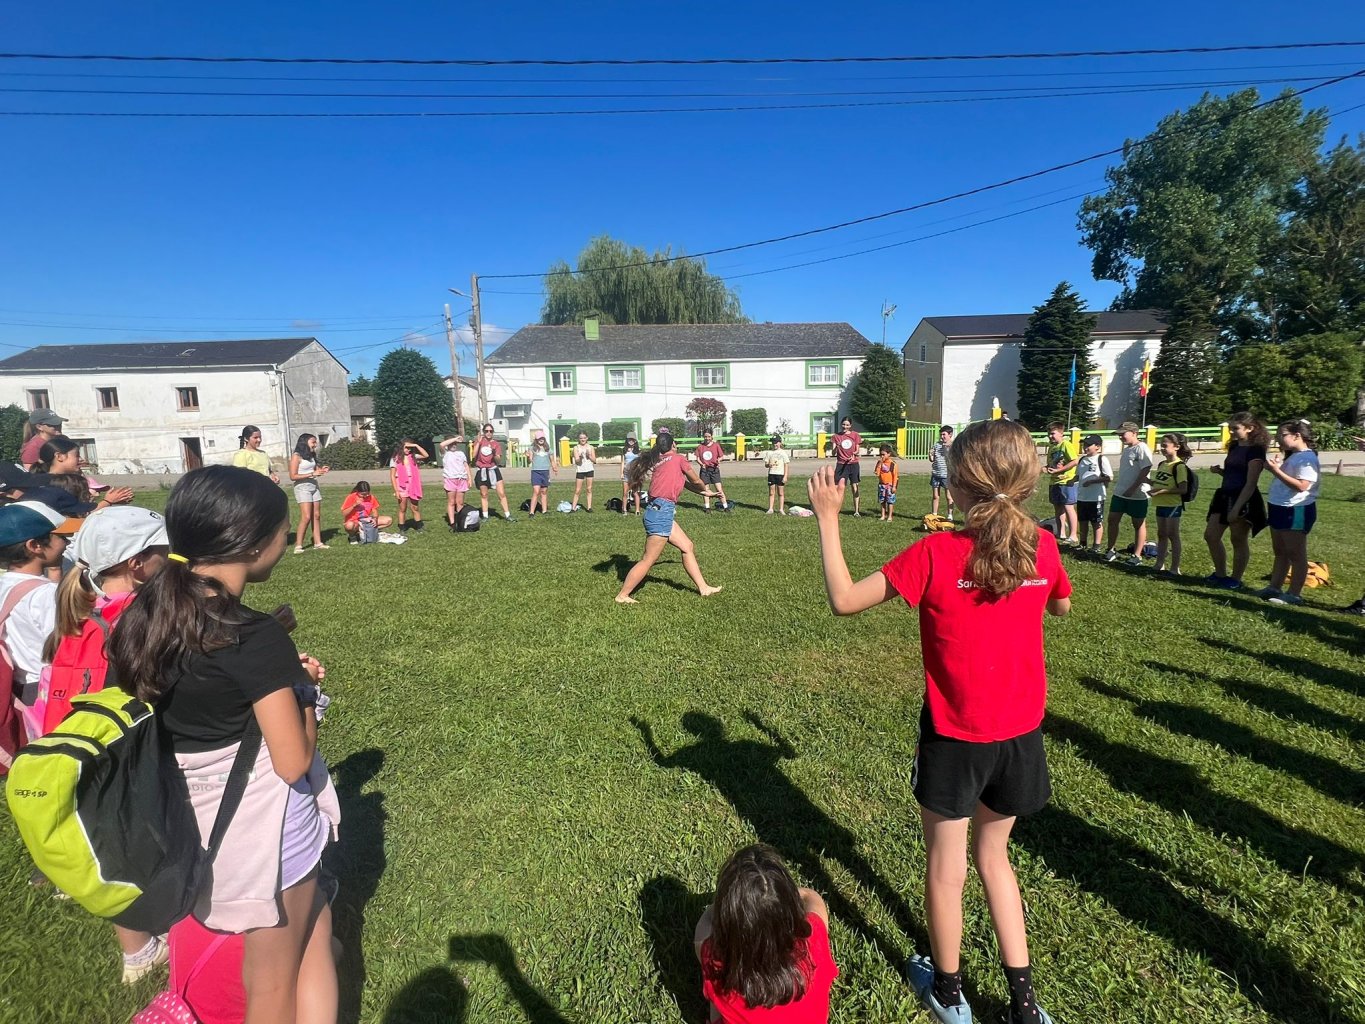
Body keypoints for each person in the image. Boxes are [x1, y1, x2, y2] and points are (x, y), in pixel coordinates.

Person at [807, 419, 1071, 1024]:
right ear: (1028, 481)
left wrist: (827, 518)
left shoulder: (934, 553)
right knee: (995, 860)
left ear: (956, 486)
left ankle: (950, 995)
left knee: (947, 867)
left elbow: (844, 600)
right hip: (1020, 735)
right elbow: (1059, 603)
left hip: (955, 738)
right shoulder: (1043, 545)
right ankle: (1025, 1006)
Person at [106, 466, 341, 1024]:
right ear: (254, 543)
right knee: (272, 984)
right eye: (282, 529)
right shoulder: (251, 634)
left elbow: (197, 689)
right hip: (261, 831)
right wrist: (304, 691)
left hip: (187, 816)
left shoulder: (144, 616)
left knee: (316, 929)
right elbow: (293, 761)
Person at [38, 505, 169, 982]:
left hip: (83, 747)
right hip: (131, 749)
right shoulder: (142, 618)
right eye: (163, 551)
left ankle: (137, 952)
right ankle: (168, 926)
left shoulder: (80, 612)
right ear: (138, 564)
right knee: (149, 842)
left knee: (113, 844)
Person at [694, 844, 837, 1024]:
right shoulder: (813, 940)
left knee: (715, 982)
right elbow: (811, 896)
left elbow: (707, 919)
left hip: (731, 983)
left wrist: (727, 906)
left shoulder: (718, 962)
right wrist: (780, 895)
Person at [0, 501, 80, 742]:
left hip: (16, 688)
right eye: (61, 537)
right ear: (34, 545)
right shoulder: (46, 595)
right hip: (48, 688)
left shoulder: (4, 584)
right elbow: (65, 648)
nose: (67, 543)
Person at [615, 433, 722, 603]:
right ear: (673, 445)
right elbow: (695, 480)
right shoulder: (678, 459)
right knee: (648, 559)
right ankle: (622, 595)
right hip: (661, 513)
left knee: (687, 546)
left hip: (657, 511)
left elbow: (683, 482)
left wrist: (705, 493)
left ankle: (704, 588)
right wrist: (704, 487)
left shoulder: (660, 461)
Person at [1258, 418, 1320, 605]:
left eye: (1282, 435)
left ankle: (1294, 594)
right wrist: (1276, 468)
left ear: (1297, 435)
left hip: (1296, 509)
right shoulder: (1294, 455)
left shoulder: (1307, 458)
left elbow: (1302, 486)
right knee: (1280, 551)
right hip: (1279, 506)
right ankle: (1274, 587)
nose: (1278, 439)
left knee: (1295, 553)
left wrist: (1276, 471)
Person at [1204, 412, 1269, 590]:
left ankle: (1235, 579)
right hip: (1224, 495)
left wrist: (1237, 508)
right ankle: (1220, 574)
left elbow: (1250, 483)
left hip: (1243, 498)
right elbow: (1234, 473)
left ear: (1250, 428)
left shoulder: (1256, 450)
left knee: (1238, 539)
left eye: (1235, 428)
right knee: (1211, 535)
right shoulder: (1234, 446)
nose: (1231, 431)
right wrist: (1220, 472)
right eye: (1230, 428)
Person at [1103, 422, 1153, 567]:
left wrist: (1133, 488)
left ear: (1134, 433)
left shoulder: (1142, 448)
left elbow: (1145, 469)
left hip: (1137, 494)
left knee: (1138, 523)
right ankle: (1111, 549)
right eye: (1119, 434)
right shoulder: (1127, 449)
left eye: (1123, 434)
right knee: (1113, 519)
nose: (1121, 437)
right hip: (1120, 492)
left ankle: (1137, 555)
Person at [1148, 433, 1194, 577]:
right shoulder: (1162, 464)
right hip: (1160, 504)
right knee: (1161, 534)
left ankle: (1175, 568)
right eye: (1161, 445)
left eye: (1165, 445)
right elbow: (1162, 482)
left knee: (1173, 535)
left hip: (1172, 505)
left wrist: (1162, 491)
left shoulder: (1179, 466)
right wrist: (1149, 483)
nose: (1162, 448)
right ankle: (1159, 563)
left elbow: (1183, 489)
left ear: (1176, 447)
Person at [289, 434, 331, 554]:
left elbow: (315, 470)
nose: (315, 444)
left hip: (314, 486)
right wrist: (311, 474)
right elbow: (293, 476)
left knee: (316, 515)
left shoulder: (311, 455)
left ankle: (318, 543)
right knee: (306, 516)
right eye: (313, 442)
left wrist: (322, 470)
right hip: (302, 487)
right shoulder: (296, 456)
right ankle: (298, 545)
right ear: (305, 442)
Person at [1042, 422, 1080, 545]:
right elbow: (1051, 464)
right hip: (1054, 481)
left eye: (1053, 433)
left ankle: (1073, 535)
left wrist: (1060, 470)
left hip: (1066, 481)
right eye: (1049, 434)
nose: (1050, 436)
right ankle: (1061, 532)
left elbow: (1075, 461)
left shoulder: (1066, 445)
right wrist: (1045, 469)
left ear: (1061, 433)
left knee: (1068, 507)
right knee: (1058, 507)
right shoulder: (1052, 448)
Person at [1074, 434, 1111, 553]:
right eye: (1084, 445)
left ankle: (1096, 545)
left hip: (1096, 497)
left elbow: (1109, 477)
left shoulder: (1101, 459)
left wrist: (1092, 481)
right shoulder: (1082, 460)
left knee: (1096, 522)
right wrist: (1070, 480)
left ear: (1098, 447)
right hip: (1082, 497)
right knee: (1082, 521)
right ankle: (1083, 543)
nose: (1085, 447)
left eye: (1088, 445)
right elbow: (1078, 475)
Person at [473, 424, 514, 522]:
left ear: (493, 432)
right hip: (482, 470)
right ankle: (485, 516)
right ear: (483, 432)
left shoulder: (496, 444)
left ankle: (507, 515)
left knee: (501, 493)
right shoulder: (479, 441)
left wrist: (494, 453)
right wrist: (478, 443)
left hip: (493, 470)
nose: (488, 433)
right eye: (486, 431)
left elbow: (498, 460)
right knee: (484, 494)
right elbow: (474, 455)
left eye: (491, 431)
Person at [389, 439, 428, 532]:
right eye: (406, 447)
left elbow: (426, 455)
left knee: (415, 507)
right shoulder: (395, 459)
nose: (408, 450)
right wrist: (396, 491)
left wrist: (416, 445)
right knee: (403, 508)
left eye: (410, 448)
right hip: (401, 485)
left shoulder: (413, 457)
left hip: (413, 484)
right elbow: (392, 476)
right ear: (401, 447)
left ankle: (419, 526)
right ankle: (402, 528)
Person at [831, 417, 863, 516]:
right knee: (839, 488)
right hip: (841, 464)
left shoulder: (855, 435)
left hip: (853, 464)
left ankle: (856, 511)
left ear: (850, 425)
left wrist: (854, 454)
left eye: (847, 425)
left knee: (854, 487)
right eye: (844, 424)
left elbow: (857, 450)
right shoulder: (836, 436)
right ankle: (835, 510)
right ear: (841, 424)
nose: (845, 426)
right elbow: (833, 453)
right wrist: (837, 447)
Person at [439, 435, 472, 526]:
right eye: (451, 443)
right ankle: (452, 523)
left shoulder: (460, 453)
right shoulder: (445, 453)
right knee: (451, 502)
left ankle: (461, 521)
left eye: (455, 443)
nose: (453, 445)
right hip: (450, 479)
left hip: (461, 480)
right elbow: (441, 445)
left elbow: (466, 466)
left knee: (460, 502)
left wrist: (469, 478)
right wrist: (454, 439)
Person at [694, 429, 729, 512]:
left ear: (712, 436)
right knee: (705, 489)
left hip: (714, 469)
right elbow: (697, 458)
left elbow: (721, 456)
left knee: (719, 489)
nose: (707, 438)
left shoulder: (716, 445)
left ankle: (725, 507)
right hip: (704, 470)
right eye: (705, 436)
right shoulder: (700, 446)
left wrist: (719, 460)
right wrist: (701, 464)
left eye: (709, 436)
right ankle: (707, 507)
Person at [525, 435, 558, 516]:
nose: (541, 439)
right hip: (536, 472)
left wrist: (554, 468)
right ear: (536, 439)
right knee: (536, 491)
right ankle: (531, 512)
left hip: (545, 472)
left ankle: (544, 510)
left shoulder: (548, 449)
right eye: (539, 438)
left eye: (542, 438)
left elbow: (552, 460)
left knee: (544, 491)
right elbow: (530, 460)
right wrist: (528, 457)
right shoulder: (532, 448)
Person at [930, 426, 955, 521]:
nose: (942, 437)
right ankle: (934, 514)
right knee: (935, 496)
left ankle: (950, 515)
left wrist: (947, 448)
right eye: (941, 434)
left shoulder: (953, 445)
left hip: (947, 475)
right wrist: (930, 454)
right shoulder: (937, 445)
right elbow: (932, 459)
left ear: (950, 434)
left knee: (949, 496)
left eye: (944, 434)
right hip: (936, 474)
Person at [764, 435, 791, 515]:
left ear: (780, 443)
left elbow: (786, 464)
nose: (774, 444)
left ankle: (781, 509)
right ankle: (770, 508)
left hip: (780, 474)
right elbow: (766, 464)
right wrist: (768, 465)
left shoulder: (783, 453)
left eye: (776, 442)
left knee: (780, 493)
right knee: (771, 492)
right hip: (772, 474)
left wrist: (785, 476)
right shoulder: (769, 453)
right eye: (773, 442)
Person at [570, 432, 597, 512]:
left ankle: (589, 507)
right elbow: (577, 461)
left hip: (589, 469)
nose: (583, 439)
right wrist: (580, 457)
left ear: (587, 438)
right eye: (581, 438)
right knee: (577, 490)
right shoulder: (576, 448)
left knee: (589, 489)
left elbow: (594, 460)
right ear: (579, 439)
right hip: (580, 470)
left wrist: (589, 456)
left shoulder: (591, 447)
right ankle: (573, 508)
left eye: (584, 438)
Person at [875, 443, 899, 522]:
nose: (882, 456)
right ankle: (883, 515)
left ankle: (890, 516)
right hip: (882, 485)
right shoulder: (880, 463)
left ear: (889, 454)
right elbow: (877, 473)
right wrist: (880, 464)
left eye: (883, 454)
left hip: (890, 486)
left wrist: (894, 486)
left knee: (890, 501)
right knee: (882, 501)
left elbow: (895, 476)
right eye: (880, 455)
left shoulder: (892, 464)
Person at [621, 436, 642, 514]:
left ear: (635, 441)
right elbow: (622, 462)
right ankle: (624, 509)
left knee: (635, 492)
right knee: (625, 492)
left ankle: (637, 510)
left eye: (632, 439)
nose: (631, 441)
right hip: (626, 473)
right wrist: (621, 473)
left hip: (634, 473)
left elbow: (640, 463)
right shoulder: (624, 450)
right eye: (629, 439)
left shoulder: (638, 451)